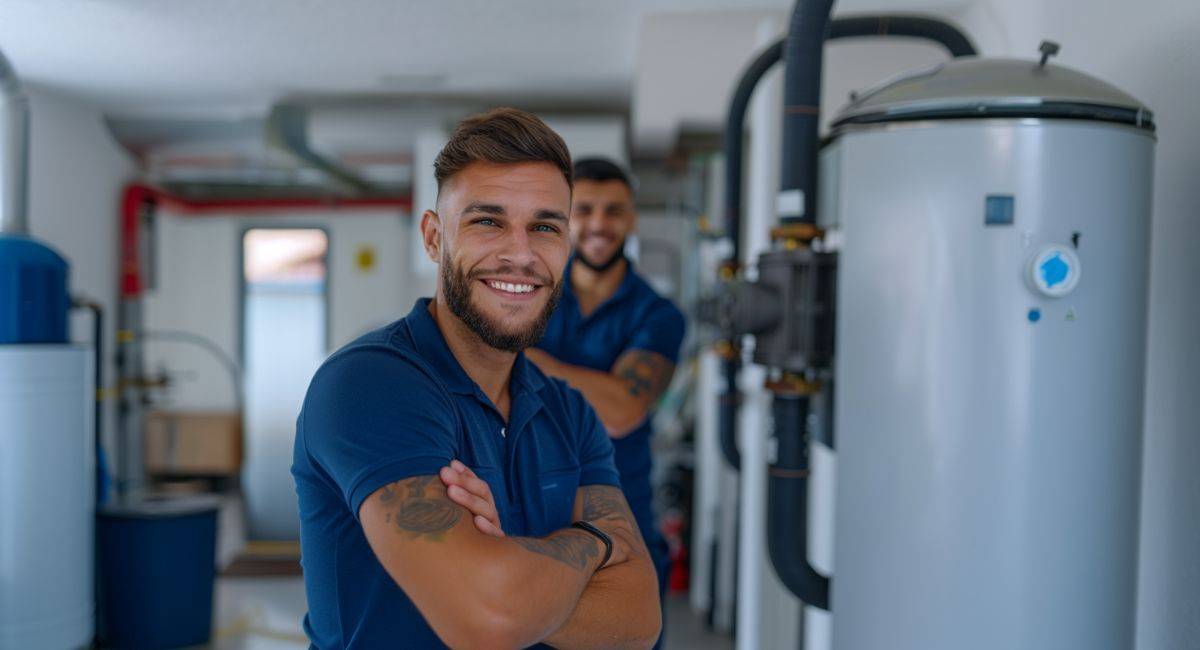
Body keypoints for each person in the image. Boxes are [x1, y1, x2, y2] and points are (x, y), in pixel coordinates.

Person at [292, 108, 660, 649]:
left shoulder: (569, 412)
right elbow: (488, 619)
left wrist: (507, 556)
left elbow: (639, 618)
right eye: (488, 221)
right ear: (434, 237)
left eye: (545, 227)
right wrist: (592, 545)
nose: (520, 253)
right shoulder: (370, 385)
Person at [525, 157, 686, 635]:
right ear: (566, 217)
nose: (599, 224)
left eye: (614, 211)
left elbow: (622, 410)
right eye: (586, 210)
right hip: (530, 515)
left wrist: (523, 354)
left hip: (620, 523)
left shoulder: (657, 315)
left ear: (632, 219)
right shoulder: (533, 293)